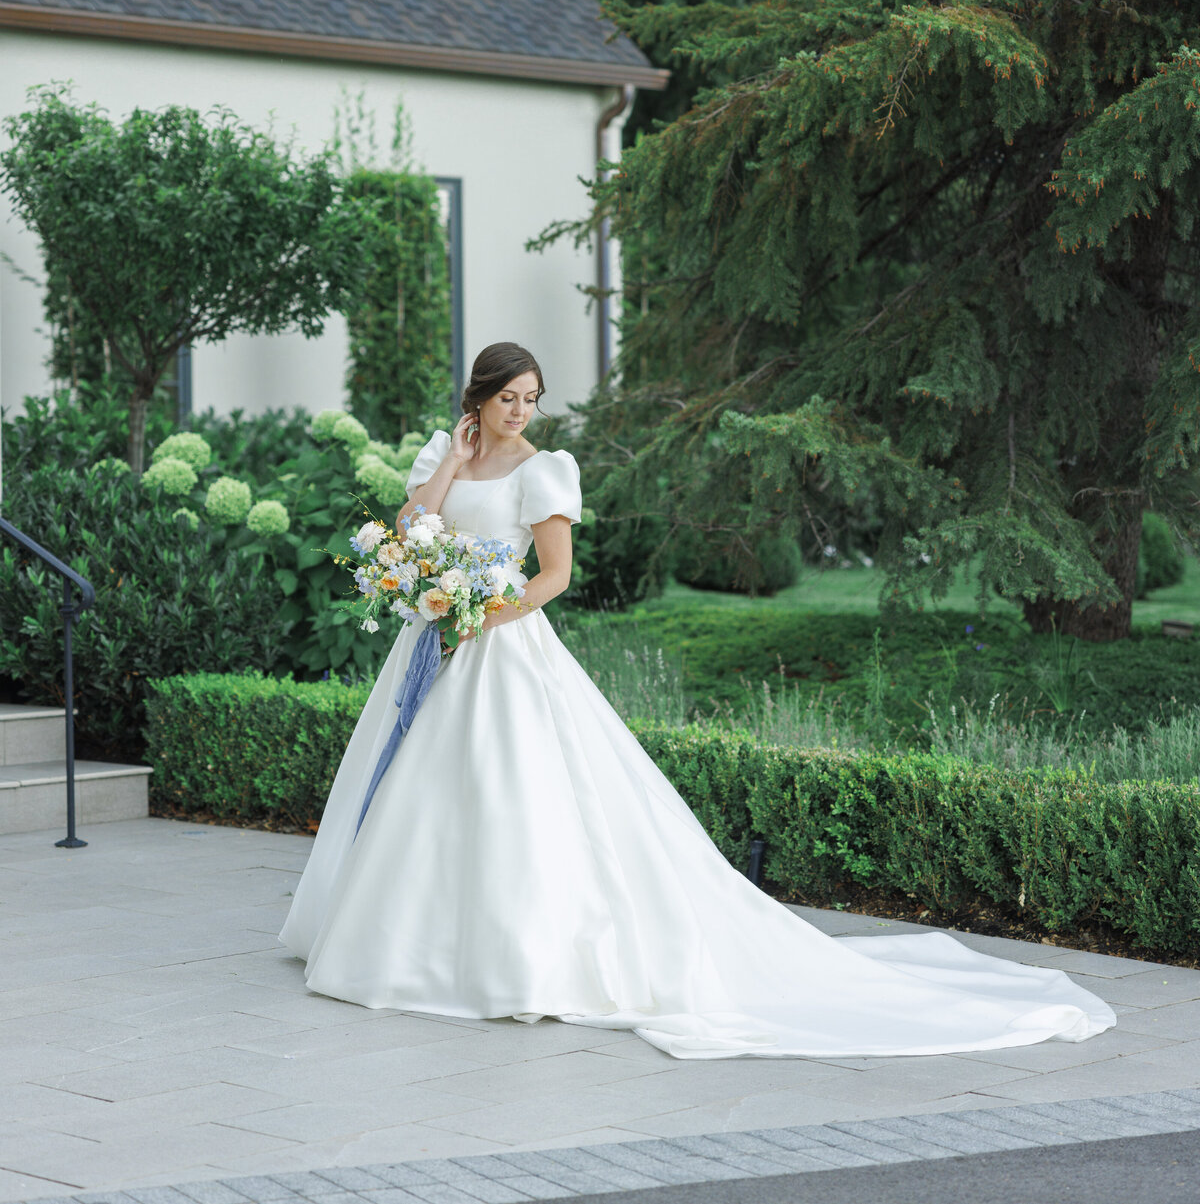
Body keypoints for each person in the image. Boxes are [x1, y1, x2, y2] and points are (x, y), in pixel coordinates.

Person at [279, 341, 1115, 1059]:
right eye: (508, 399)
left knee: (509, 793)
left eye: (531, 400)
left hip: (500, 640)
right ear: (479, 397)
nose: (520, 413)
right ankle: (412, 940)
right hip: (435, 639)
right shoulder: (448, 453)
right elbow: (409, 529)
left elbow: (556, 576)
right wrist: (455, 472)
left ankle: (509, 955)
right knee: (422, 795)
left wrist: (482, 614)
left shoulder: (544, 470)